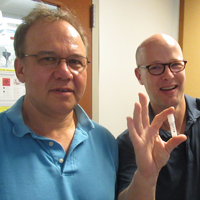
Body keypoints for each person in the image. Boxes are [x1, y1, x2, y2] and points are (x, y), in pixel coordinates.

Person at [0, 5, 184, 199]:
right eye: (48, 59)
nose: (64, 72)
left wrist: (146, 177)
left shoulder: (104, 141)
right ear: (20, 69)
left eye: (75, 61)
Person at [117, 33, 200, 200]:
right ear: (139, 76)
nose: (168, 75)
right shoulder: (132, 142)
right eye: (155, 67)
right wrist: (145, 176)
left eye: (176, 65)